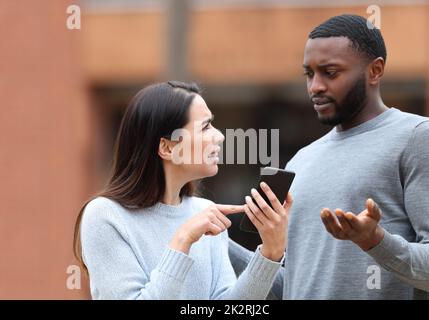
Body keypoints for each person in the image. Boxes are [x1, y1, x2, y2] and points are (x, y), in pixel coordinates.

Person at [233, 14, 429, 300]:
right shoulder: (301, 160)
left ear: (375, 71)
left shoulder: (417, 137)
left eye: (330, 72)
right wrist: (218, 243)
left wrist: (375, 241)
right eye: (309, 74)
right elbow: (297, 286)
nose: (315, 87)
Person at [73, 81, 293, 299]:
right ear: (168, 147)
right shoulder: (105, 216)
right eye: (205, 127)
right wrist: (183, 239)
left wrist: (270, 252)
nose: (220, 136)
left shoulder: (205, 211)